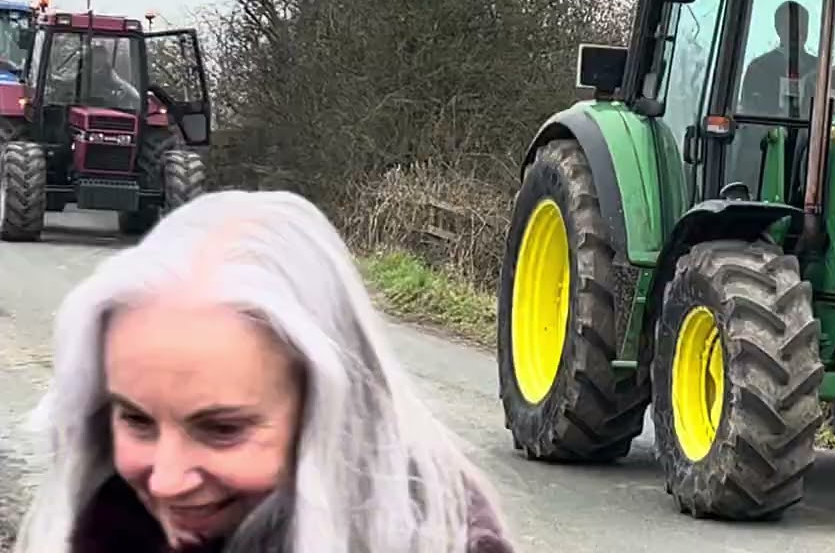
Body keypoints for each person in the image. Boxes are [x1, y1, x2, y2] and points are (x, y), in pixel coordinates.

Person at [12, 189, 516, 553]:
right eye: (137, 420)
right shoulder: (100, 521)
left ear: (329, 411)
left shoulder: (444, 539)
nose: (165, 481)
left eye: (223, 429)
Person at [739, 0, 819, 117]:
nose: (799, 31)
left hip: (816, 133)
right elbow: (748, 114)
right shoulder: (758, 68)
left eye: (803, 25)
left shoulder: (822, 69)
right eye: (791, 25)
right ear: (778, 29)